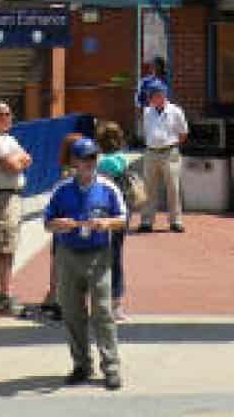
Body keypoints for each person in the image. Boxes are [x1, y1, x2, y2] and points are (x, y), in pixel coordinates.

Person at [43, 137, 126, 390]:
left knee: (102, 311)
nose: (89, 163)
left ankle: (110, 366)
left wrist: (107, 223)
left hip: (99, 254)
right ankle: (81, 364)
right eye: (84, 158)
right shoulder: (62, 189)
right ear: (74, 162)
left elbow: (122, 218)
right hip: (69, 254)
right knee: (72, 312)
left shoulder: (108, 188)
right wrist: (60, 224)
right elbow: (47, 222)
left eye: (93, 158)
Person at [0, 101, 32, 313]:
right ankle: (0, 293)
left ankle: (1, 292)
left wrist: (19, 161)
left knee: (6, 247)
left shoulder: (9, 139)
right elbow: (12, 166)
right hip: (1, 197)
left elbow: (28, 158)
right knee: (2, 247)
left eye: (10, 113)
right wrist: (19, 161)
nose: (9, 117)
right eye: (4, 114)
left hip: (13, 197)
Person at [40, 131, 84, 319]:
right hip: (69, 224)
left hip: (63, 225)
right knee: (68, 264)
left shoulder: (65, 171)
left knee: (58, 262)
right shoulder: (73, 174)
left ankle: (53, 297)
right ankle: (61, 301)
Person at [139, 78, 189, 233]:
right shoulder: (147, 112)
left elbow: (183, 133)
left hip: (169, 152)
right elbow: (146, 132)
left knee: (173, 187)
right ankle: (147, 221)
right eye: (149, 95)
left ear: (162, 95)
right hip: (151, 153)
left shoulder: (175, 110)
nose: (150, 98)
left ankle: (176, 221)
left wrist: (171, 146)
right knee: (149, 188)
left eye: (153, 95)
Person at [95, 121, 130, 320]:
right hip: (120, 214)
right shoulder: (121, 159)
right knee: (116, 257)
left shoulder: (101, 163)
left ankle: (101, 301)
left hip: (103, 214)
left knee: (99, 258)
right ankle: (115, 303)